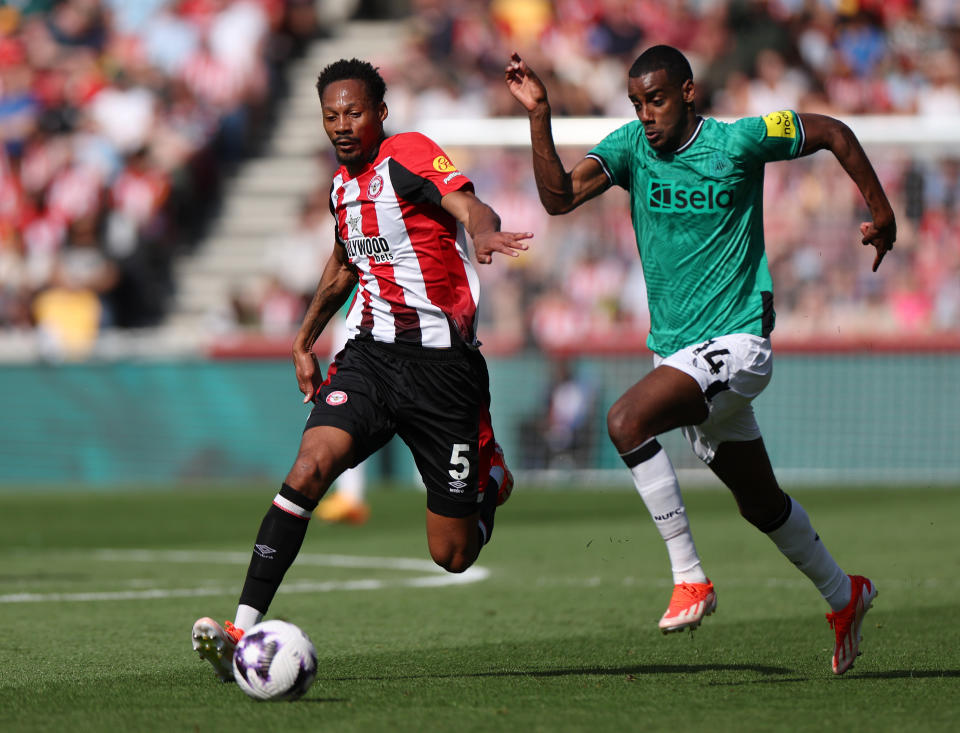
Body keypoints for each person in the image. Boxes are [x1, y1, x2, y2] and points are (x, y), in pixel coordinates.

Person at [505, 46, 895, 675]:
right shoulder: (631, 147)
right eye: (636, 103)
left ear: (688, 92)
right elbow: (557, 199)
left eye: (655, 100)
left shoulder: (738, 141)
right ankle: (844, 593)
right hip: (683, 355)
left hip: (739, 346)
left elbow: (833, 132)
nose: (646, 115)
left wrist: (880, 210)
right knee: (761, 505)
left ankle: (690, 577)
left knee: (625, 420)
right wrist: (539, 115)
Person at [192, 58, 531, 682]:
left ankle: (488, 483)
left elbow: (467, 203)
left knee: (452, 555)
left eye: (353, 112)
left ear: (380, 112)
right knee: (309, 467)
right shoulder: (340, 189)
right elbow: (347, 263)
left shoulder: (407, 153)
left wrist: (485, 231)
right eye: (331, 115)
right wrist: (304, 337)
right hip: (370, 357)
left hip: (443, 374)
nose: (342, 125)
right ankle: (241, 625)